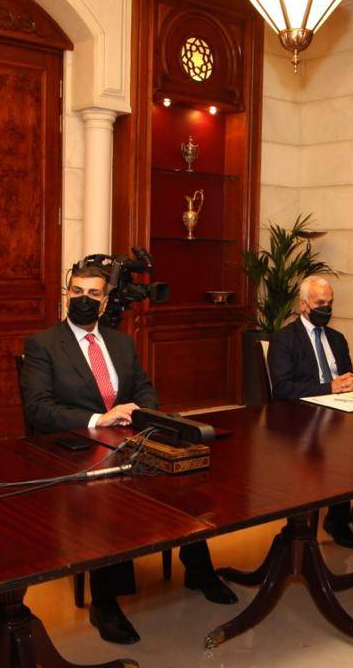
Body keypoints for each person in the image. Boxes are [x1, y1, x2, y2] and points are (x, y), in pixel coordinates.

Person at [20, 261, 236, 645]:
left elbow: (145, 388)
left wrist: (143, 413)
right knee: (106, 497)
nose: (84, 299)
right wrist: (99, 419)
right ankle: (105, 604)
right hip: (77, 443)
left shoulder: (121, 343)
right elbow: (39, 409)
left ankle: (199, 571)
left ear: (104, 303)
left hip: (129, 437)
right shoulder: (43, 344)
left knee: (179, 478)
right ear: (66, 295)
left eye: (93, 294)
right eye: (77, 292)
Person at [267, 276, 353, 548]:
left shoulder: (337, 338)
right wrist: (329, 388)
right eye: (320, 303)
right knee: (340, 453)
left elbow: (346, 376)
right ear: (303, 305)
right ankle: (337, 521)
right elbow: (283, 388)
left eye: (330, 303)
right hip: (301, 417)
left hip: (342, 411)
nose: (326, 309)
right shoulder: (284, 339)